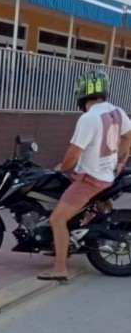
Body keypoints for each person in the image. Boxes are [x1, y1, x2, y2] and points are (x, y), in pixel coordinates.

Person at [38, 70, 131, 282]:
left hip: (91, 179)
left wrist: (62, 167)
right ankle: (63, 243)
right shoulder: (117, 111)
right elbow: (129, 136)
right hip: (108, 174)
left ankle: (59, 268)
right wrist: (121, 161)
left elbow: (73, 152)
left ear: (81, 93)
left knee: (57, 219)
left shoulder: (89, 118)